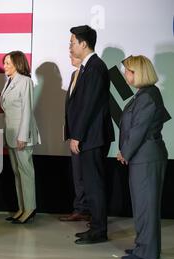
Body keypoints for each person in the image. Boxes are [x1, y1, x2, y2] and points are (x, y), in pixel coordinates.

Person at [118, 55, 171, 259]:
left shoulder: (148, 96)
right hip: (143, 157)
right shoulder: (145, 94)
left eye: (128, 71)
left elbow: (139, 130)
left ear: (138, 72)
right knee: (142, 205)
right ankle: (143, 246)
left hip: (146, 158)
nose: (125, 74)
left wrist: (125, 152)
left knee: (146, 207)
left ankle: (146, 251)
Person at [66, 25, 114, 244]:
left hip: (92, 137)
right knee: (91, 183)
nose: (70, 45)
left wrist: (77, 135)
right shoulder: (87, 67)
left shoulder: (94, 67)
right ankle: (95, 227)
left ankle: (99, 231)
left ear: (83, 44)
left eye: (72, 42)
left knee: (94, 184)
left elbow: (89, 106)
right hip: (90, 136)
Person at [0, 51, 41, 224]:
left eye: (8, 63)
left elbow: (27, 111)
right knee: (18, 173)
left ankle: (30, 209)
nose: (5, 66)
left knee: (26, 172)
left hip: (22, 136)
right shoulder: (9, 82)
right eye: (4, 63)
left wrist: (23, 136)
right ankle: (22, 208)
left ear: (18, 64)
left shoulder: (25, 81)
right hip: (11, 135)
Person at [59, 55, 91, 223]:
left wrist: (79, 134)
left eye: (73, 52)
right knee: (77, 174)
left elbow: (86, 107)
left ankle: (90, 210)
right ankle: (81, 209)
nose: (70, 55)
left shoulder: (90, 74)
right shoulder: (73, 75)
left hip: (86, 135)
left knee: (88, 175)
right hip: (75, 133)